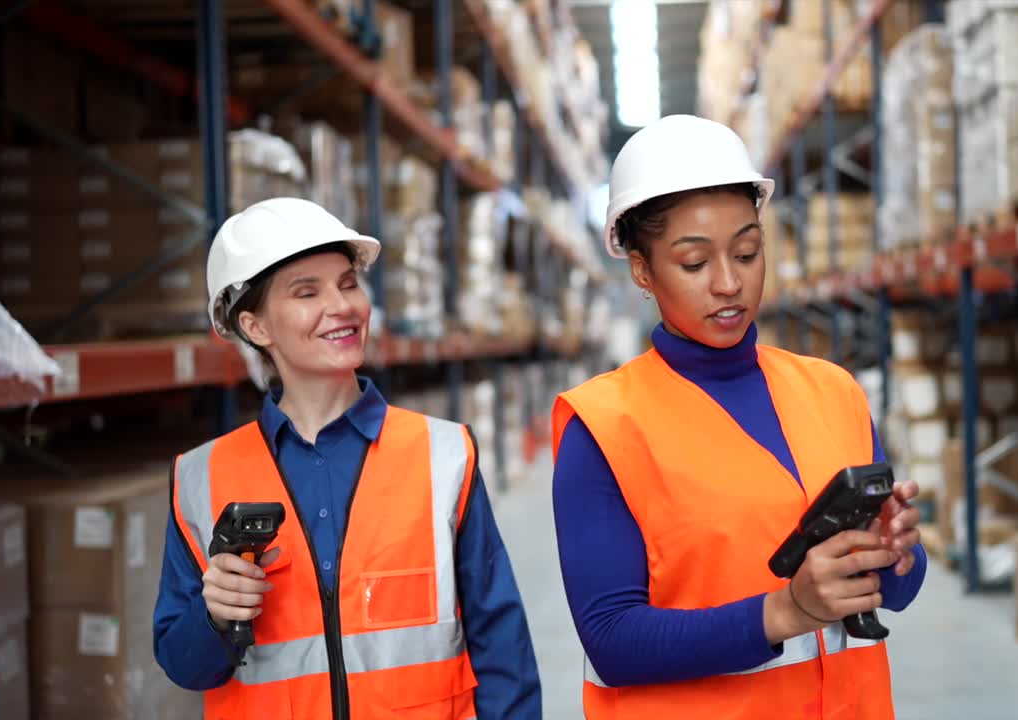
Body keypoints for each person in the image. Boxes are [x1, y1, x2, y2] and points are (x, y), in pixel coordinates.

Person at [550, 115, 927, 720]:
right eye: (694, 263)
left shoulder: (833, 391)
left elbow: (897, 591)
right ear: (642, 270)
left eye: (747, 253)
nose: (729, 283)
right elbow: (612, 640)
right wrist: (784, 612)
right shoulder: (604, 425)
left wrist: (895, 551)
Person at [153, 198, 542, 719]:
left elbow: (502, 646)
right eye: (307, 292)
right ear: (256, 326)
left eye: (348, 283)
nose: (342, 306)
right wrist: (215, 617)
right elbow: (182, 665)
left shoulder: (443, 453)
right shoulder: (202, 476)